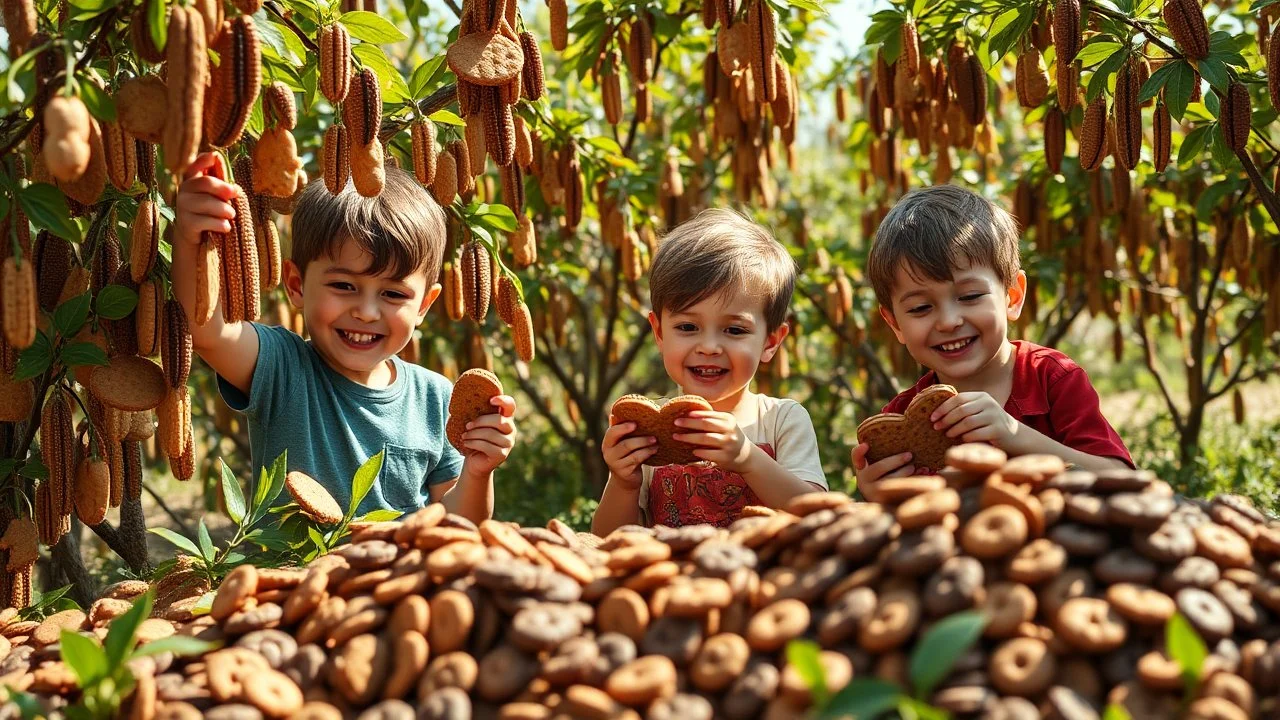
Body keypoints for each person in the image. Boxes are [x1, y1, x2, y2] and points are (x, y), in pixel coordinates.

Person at [171, 153, 517, 522]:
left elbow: (458, 526)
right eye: (343, 285)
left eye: (393, 294)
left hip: (396, 579)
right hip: (293, 578)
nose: (366, 312)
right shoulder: (281, 368)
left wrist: (478, 472)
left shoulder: (436, 400)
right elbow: (209, 329)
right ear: (296, 286)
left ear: (424, 306)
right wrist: (189, 235)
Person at [853, 184, 1132, 502]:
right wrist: (876, 493)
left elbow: (1123, 480)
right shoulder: (901, 421)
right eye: (920, 308)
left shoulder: (1053, 379)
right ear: (894, 324)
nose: (949, 321)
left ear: (1012, 296)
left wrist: (1014, 435)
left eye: (970, 296)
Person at [592, 209, 826, 534]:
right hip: (675, 583)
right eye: (688, 326)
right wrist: (624, 482)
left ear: (771, 341)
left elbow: (818, 518)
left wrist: (748, 459)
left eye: (734, 330)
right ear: (659, 333)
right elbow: (606, 540)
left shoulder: (782, 420)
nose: (710, 347)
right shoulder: (648, 432)